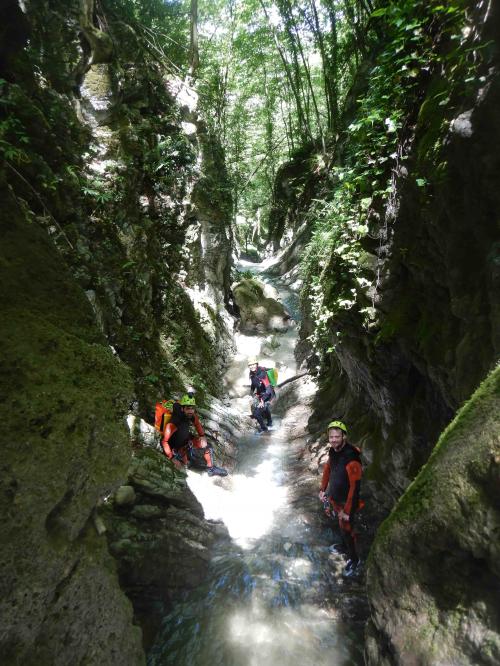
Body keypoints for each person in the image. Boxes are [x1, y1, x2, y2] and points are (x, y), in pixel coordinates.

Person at [319, 420, 363, 577]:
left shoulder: (352, 457)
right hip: (337, 499)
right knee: (342, 527)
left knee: (348, 528)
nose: (333, 440)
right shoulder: (333, 451)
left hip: (347, 501)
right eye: (331, 437)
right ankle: (345, 547)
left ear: (344, 436)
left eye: (337, 437)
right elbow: (328, 468)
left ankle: (355, 559)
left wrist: (348, 511)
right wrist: (323, 489)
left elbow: (355, 487)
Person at [161, 394, 228, 477]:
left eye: (192, 408)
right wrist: (172, 458)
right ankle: (188, 461)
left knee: (207, 446)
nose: (191, 411)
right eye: (188, 408)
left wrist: (202, 436)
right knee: (183, 467)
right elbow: (164, 441)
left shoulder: (191, 415)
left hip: (185, 441)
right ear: (182, 409)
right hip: (176, 449)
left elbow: (197, 424)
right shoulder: (174, 422)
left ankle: (211, 469)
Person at [248, 356, 274, 433]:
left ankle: (264, 430)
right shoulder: (252, 373)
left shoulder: (262, 373)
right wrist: (251, 394)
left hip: (268, 395)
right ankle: (270, 423)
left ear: (256, 364)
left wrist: (262, 400)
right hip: (261, 393)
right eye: (250, 365)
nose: (252, 366)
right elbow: (253, 384)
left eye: (253, 364)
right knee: (265, 409)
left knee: (256, 413)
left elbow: (268, 389)